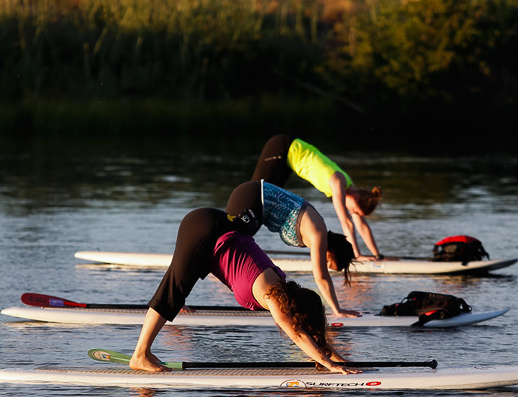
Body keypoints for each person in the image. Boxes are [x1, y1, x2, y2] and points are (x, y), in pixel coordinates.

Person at [130, 208, 360, 375]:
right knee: (172, 293)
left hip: (214, 226)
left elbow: (305, 330)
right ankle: (140, 354)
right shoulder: (274, 297)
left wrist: (338, 359)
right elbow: (298, 334)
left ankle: (145, 351)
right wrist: (329, 364)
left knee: (179, 289)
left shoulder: (281, 284)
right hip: (206, 229)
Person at [226, 180, 361, 318]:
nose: (323, 264)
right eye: (327, 262)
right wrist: (337, 310)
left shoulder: (318, 231)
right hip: (253, 196)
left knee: (231, 244)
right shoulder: (318, 234)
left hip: (255, 202)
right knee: (227, 241)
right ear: (333, 252)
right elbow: (322, 277)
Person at [250, 134, 383, 260]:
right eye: (354, 211)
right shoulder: (338, 182)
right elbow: (347, 223)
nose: (352, 212)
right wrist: (356, 255)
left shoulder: (349, 184)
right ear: (357, 198)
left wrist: (378, 256)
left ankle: (246, 245)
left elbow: (362, 225)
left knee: (264, 201)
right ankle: (241, 245)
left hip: (288, 157)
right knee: (254, 196)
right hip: (282, 147)